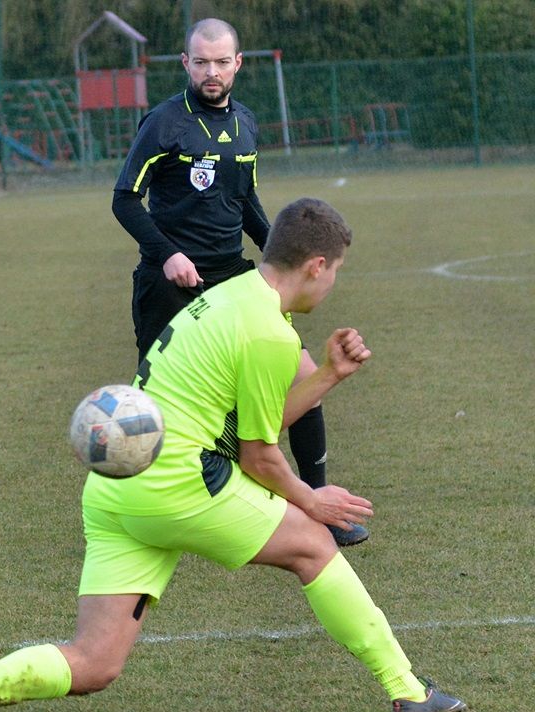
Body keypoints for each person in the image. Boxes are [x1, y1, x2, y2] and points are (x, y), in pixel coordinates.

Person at [0, 198, 465, 712]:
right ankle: (408, 690)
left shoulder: (233, 296)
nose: (333, 283)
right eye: (337, 270)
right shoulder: (266, 331)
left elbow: (245, 425)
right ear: (317, 265)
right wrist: (311, 501)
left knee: (95, 662)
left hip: (119, 485)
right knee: (314, 546)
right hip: (180, 482)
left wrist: (329, 375)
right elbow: (258, 457)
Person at [112, 19, 366, 547]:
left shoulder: (246, 123)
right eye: (201, 62)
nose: (211, 72)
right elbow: (125, 199)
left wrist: (283, 253)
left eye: (221, 62)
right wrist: (168, 254)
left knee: (304, 377)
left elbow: (244, 201)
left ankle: (318, 506)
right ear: (185, 63)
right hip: (170, 285)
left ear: (238, 63)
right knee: (155, 407)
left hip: (235, 278)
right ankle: (132, 511)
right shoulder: (163, 124)